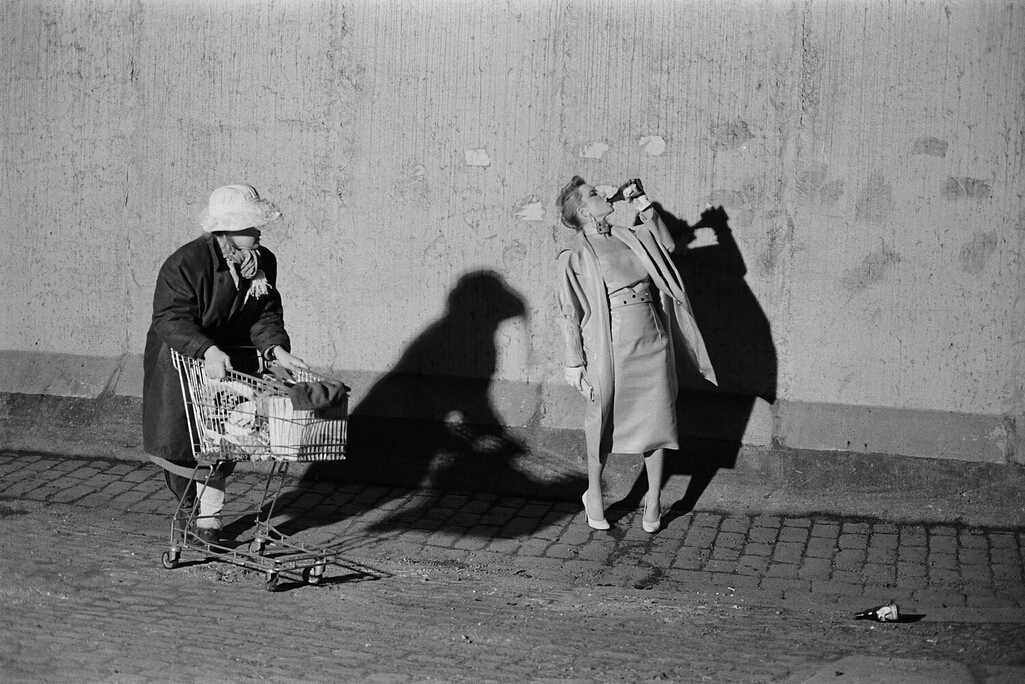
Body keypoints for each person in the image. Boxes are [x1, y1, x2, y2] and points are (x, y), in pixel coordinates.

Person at [142, 183, 308, 544]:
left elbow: (265, 314)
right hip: (183, 359)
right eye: (251, 226)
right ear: (226, 229)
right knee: (183, 447)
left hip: (232, 363)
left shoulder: (262, 262)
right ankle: (191, 511)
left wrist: (276, 350)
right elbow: (171, 318)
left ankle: (208, 522)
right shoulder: (185, 263)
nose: (259, 231)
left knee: (224, 442)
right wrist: (207, 349)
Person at [555, 176, 717, 532]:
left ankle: (654, 499)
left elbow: (669, 246)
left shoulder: (631, 234)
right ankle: (594, 494)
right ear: (583, 210)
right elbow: (569, 312)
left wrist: (642, 201)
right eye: (594, 193)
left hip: (652, 339)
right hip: (610, 346)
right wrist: (574, 364)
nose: (603, 193)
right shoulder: (577, 254)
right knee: (601, 418)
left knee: (658, 417)